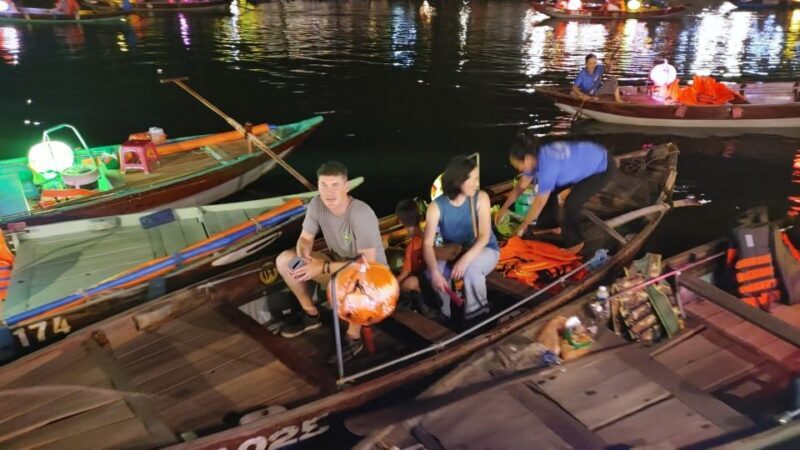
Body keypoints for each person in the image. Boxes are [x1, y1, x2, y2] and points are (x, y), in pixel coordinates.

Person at [275, 161, 387, 363]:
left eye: (335, 185)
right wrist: (303, 253)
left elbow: (367, 263)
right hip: (337, 266)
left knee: (356, 283)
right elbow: (305, 238)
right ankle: (311, 315)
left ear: (347, 186)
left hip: (374, 277)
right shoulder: (317, 204)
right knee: (286, 261)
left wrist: (322, 267)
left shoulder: (361, 213)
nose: (329, 192)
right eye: (323, 185)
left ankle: (353, 337)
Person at [495, 132, 615, 253]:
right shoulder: (534, 157)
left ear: (527, 159)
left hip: (601, 167)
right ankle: (551, 226)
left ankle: (576, 242)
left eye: (518, 165)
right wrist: (504, 208)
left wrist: (524, 224)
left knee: (572, 203)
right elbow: (520, 186)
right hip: (576, 166)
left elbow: (540, 201)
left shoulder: (548, 164)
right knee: (548, 191)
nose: (519, 169)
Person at [424, 156, 500, 320]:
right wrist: (435, 272)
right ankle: (445, 313)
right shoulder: (436, 207)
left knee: (472, 269)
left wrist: (465, 260)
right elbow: (428, 244)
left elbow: (484, 236)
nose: (477, 184)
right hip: (455, 251)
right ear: (458, 180)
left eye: (477, 179)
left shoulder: (481, 198)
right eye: (473, 179)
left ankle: (476, 314)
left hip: (484, 249)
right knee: (435, 271)